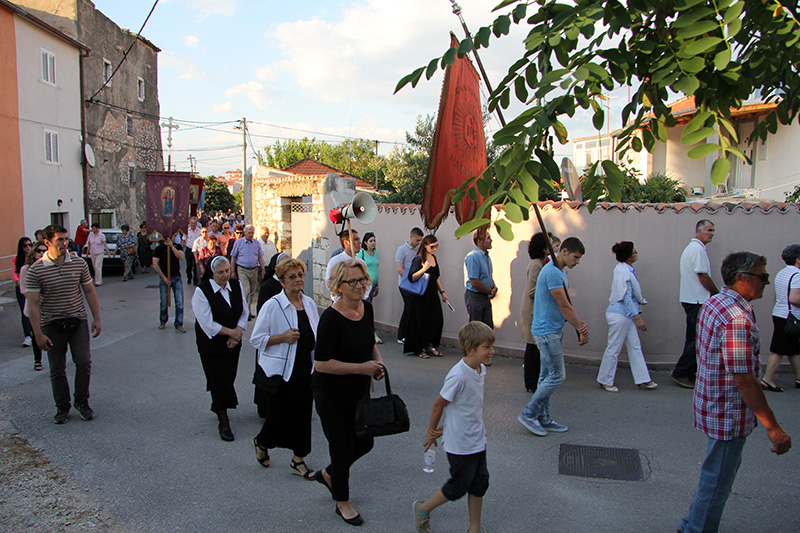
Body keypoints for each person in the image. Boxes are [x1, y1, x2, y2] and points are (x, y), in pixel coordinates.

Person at [677, 251, 791, 533]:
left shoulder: (716, 303)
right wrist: (773, 427)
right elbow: (744, 379)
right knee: (717, 481)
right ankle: (695, 528)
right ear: (741, 279)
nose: (766, 282)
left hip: (713, 405)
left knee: (713, 475)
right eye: (762, 277)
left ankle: (691, 524)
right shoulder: (736, 317)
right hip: (728, 412)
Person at [313, 259, 386, 526]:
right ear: (338, 286)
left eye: (362, 280)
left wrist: (377, 364)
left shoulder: (366, 309)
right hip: (331, 394)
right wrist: (362, 368)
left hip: (358, 391)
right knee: (342, 449)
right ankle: (342, 502)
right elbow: (321, 364)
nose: (360, 285)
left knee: (365, 442)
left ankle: (330, 474)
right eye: (353, 281)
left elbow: (369, 343)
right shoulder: (330, 319)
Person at [413, 321, 494, 533]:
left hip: (477, 439)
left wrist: (446, 426)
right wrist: (432, 432)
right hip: (460, 444)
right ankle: (423, 508)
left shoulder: (480, 369)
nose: (492, 351)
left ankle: (474, 529)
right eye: (487, 347)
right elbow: (439, 404)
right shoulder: (458, 375)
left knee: (479, 483)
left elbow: (466, 407)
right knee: (458, 486)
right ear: (470, 349)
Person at [249, 258, 319, 478]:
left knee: (303, 415)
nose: (298, 280)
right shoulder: (273, 305)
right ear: (281, 281)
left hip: (305, 369)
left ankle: (298, 460)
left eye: (300, 275)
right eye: (292, 276)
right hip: (281, 372)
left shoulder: (308, 303)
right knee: (279, 417)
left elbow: (317, 334)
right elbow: (256, 339)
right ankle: (262, 442)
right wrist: (282, 337)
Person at [25, 225, 101, 424]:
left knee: (83, 361)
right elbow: (32, 305)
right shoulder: (36, 270)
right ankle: (62, 406)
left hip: (77, 320)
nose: (64, 243)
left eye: (66, 239)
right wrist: (38, 334)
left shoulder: (78, 263)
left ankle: (82, 401)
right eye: (60, 239)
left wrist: (96, 318)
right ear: (47, 243)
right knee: (57, 368)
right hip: (51, 323)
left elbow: (89, 291)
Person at [518, 237, 589, 437]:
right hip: (546, 332)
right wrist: (581, 328)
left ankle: (544, 418)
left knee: (546, 377)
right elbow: (564, 305)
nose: (577, 262)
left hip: (552, 330)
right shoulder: (552, 272)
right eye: (575, 257)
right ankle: (529, 414)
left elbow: (564, 304)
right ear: (564, 252)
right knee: (557, 375)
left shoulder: (560, 271)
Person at [192, 256, 249, 442]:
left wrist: (238, 332)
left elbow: (244, 311)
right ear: (212, 273)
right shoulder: (202, 292)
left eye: (227, 271)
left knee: (229, 377)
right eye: (220, 273)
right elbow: (207, 324)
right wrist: (230, 333)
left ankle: (217, 403)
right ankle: (223, 422)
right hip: (212, 344)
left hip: (233, 342)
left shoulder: (236, 285)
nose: (225, 275)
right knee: (219, 380)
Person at [597, 241, 658, 391]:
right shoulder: (624, 272)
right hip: (620, 315)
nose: (637, 254)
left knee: (635, 346)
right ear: (629, 256)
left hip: (626, 315)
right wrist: (637, 318)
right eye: (634, 252)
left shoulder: (625, 269)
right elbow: (626, 297)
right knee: (614, 348)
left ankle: (643, 379)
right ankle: (605, 380)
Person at [673, 220, 719, 388]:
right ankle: (681, 372)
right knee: (698, 339)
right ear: (699, 231)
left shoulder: (692, 249)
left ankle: (688, 372)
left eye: (713, 230)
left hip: (690, 299)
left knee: (692, 338)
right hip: (697, 300)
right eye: (709, 230)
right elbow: (703, 276)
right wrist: (716, 293)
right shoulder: (698, 250)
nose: (712, 233)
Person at [519, 233, 560, 393]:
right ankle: (531, 383)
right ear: (543, 247)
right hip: (532, 311)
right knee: (532, 348)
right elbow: (532, 291)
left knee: (537, 348)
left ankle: (537, 380)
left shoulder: (542, 263)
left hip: (536, 310)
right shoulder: (536, 264)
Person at [760, 244, 800, 391]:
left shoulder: (782, 273)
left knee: (793, 349)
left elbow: (779, 296)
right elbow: (794, 299)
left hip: (780, 314)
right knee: (778, 350)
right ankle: (767, 379)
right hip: (791, 316)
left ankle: (799, 378)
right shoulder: (798, 275)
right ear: (798, 260)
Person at [404, 235, 449, 358]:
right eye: (432, 246)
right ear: (425, 245)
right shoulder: (418, 259)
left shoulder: (434, 258)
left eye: (436, 246)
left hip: (432, 295)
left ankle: (430, 345)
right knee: (421, 322)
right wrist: (424, 269)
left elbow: (436, 277)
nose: (434, 248)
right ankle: (420, 348)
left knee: (436, 320)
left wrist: (443, 292)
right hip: (420, 296)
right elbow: (411, 277)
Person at [19, 242, 47, 370]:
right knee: (37, 333)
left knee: (52, 334)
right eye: (39, 251)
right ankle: (38, 360)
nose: (41, 253)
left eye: (44, 251)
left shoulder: (49, 267)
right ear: (34, 253)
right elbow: (23, 289)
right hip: (33, 306)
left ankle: (55, 361)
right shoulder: (26, 269)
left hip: (49, 307)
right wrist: (35, 298)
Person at [230, 224, 265, 319]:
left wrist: (263, 269)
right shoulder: (239, 243)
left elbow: (260, 257)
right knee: (246, 290)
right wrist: (232, 271)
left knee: (252, 292)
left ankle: (249, 311)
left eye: (252, 233)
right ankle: (244, 313)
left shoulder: (256, 243)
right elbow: (233, 257)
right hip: (242, 269)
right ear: (245, 233)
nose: (251, 235)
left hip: (253, 269)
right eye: (249, 233)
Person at [464, 228, 497, 329]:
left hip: (484, 297)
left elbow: (487, 276)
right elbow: (474, 281)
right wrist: (490, 291)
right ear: (479, 241)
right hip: (475, 297)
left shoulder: (486, 256)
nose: (491, 240)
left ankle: (485, 345)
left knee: (487, 328)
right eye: (488, 238)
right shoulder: (473, 256)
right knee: (476, 330)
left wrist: (494, 287)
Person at [396, 227, 424, 343]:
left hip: (415, 284)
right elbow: (399, 269)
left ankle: (410, 334)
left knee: (413, 310)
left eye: (421, 241)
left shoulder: (418, 250)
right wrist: (411, 279)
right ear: (411, 237)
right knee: (408, 309)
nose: (419, 243)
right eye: (417, 240)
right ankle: (401, 335)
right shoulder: (401, 250)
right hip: (405, 285)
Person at [324, 229, 369, 302]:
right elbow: (330, 283)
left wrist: (362, 297)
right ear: (346, 242)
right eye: (356, 239)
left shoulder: (361, 262)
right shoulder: (335, 261)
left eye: (359, 239)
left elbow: (367, 282)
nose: (360, 242)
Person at [152, 236, 186, 333]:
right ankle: (163, 320)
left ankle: (179, 324)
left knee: (179, 302)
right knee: (164, 302)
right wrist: (163, 277)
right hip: (164, 278)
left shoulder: (177, 246)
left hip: (176, 277)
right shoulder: (159, 248)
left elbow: (181, 256)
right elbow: (155, 263)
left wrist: (172, 247)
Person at [357, 232, 382, 343]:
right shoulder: (361, 253)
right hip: (365, 286)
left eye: (374, 240)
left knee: (368, 308)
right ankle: (372, 333)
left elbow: (376, 270)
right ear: (365, 242)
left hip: (373, 286)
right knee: (366, 309)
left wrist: (377, 285)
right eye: (370, 241)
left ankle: (366, 331)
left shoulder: (376, 253)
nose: (373, 243)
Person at [13, 237, 34, 346]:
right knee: (24, 311)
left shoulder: (33, 259)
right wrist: (19, 282)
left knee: (34, 310)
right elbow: (14, 275)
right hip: (21, 288)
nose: (28, 248)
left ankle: (34, 330)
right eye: (25, 245)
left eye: (29, 245)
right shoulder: (16, 259)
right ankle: (27, 335)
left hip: (33, 288)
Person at [185, 217, 203, 285]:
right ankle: (189, 277)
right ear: (189, 223)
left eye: (194, 223)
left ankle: (196, 280)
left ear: (196, 223)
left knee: (196, 265)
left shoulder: (199, 231)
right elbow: (184, 239)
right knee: (189, 265)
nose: (193, 224)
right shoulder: (186, 231)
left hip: (197, 250)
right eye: (191, 223)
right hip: (189, 249)